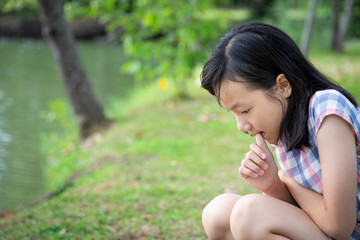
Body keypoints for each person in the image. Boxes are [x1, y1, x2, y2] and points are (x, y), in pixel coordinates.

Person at [200, 22, 360, 240]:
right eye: (234, 113)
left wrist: (284, 179)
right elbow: (304, 212)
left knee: (250, 214)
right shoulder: (283, 130)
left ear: (282, 86)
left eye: (245, 110)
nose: (241, 126)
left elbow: (338, 226)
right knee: (217, 212)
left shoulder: (326, 110)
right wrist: (272, 185)